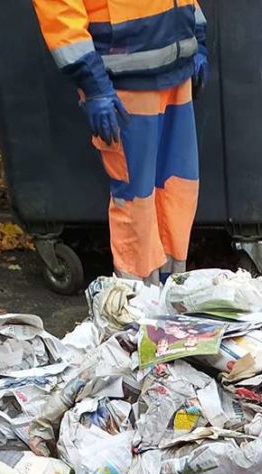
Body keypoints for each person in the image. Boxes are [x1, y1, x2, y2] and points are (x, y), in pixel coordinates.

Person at [31, 1, 208, 284]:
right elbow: (60, 12)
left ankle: (171, 288)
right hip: (125, 80)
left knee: (178, 186)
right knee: (135, 196)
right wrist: (94, 85)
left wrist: (197, 41)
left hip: (177, 70)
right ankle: (135, 299)